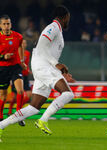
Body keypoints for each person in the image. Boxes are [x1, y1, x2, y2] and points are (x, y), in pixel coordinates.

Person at [0, 5, 75, 142]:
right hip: (44, 66)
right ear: (65, 17)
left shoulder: (57, 29)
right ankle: (43, 120)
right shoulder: (53, 27)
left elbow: (47, 50)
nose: (68, 21)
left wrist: (59, 69)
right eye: (68, 18)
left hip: (42, 67)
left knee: (34, 107)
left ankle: (1, 125)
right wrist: (55, 64)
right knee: (68, 94)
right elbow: (42, 45)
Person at [0, 15, 27, 126]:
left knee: (20, 91)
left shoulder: (18, 36)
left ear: (11, 24)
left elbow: (20, 46)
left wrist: (21, 61)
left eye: (8, 24)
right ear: (0, 25)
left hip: (15, 67)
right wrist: (3, 57)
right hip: (2, 69)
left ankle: (19, 115)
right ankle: (0, 116)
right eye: (4, 24)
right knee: (3, 95)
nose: (6, 26)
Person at [8, 39, 32, 115]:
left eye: (25, 43)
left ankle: (19, 109)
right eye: (22, 43)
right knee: (14, 97)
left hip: (25, 76)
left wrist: (28, 70)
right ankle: (10, 111)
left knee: (29, 94)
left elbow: (26, 64)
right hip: (17, 75)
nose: (24, 44)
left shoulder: (27, 53)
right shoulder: (16, 53)